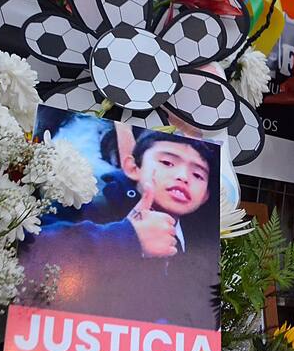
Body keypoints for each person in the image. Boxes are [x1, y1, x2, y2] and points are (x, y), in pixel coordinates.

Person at [20, 130, 221, 330]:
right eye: (167, 163)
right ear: (132, 167)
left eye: (197, 174)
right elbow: (27, 249)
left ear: (205, 196)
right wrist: (127, 237)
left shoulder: (205, 250)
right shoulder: (85, 203)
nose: (183, 177)